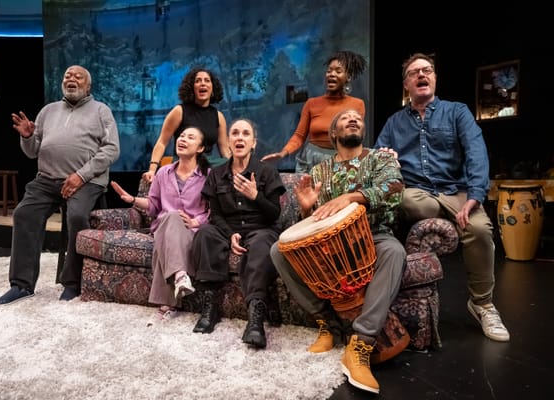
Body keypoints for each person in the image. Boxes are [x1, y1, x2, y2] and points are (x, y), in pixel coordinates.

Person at [374, 52, 510, 343]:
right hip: (418, 192)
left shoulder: (456, 112)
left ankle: (483, 304)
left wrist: (474, 197)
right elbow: (377, 159)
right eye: (415, 73)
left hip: (456, 191)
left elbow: (476, 153)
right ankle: (446, 216)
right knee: (409, 201)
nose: (422, 75)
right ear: (406, 84)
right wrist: (387, 160)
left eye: (428, 70)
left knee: (480, 230)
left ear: (434, 78)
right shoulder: (394, 123)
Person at [270, 109, 405, 394]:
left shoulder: (379, 158)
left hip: (373, 235)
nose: (353, 119)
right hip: (333, 245)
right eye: (345, 118)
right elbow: (311, 228)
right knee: (279, 251)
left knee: (394, 252)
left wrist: (351, 197)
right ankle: (327, 325)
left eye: (357, 117)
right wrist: (307, 208)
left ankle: (361, 344)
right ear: (333, 133)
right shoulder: (319, 171)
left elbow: (394, 190)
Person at [0, 65, 120, 305]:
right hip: (46, 179)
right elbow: (32, 153)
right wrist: (28, 136)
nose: (71, 79)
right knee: (23, 213)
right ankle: (21, 285)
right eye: (67, 76)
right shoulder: (48, 111)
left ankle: (72, 282)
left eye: (78, 76)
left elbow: (112, 149)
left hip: (86, 181)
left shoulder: (101, 111)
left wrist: (81, 176)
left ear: (88, 86)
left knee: (76, 216)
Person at [191, 118, 286, 349]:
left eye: (245, 134)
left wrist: (256, 196)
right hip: (228, 229)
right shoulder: (217, 174)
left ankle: (255, 320)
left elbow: (274, 215)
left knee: (263, 243)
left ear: (253, 143)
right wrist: (230, 234)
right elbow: (215, 215)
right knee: (205, 234)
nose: (240, 137)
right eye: (235, 133)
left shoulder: (267, 173)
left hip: (260, 229)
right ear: (229, 141)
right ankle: (210, 307)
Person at [110, 126, 210, 319]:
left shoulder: (208, 175)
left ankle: (169, 300)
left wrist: (196, 221)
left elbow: (213, 210)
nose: (183, 139)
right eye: (181, 136)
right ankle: (180, 275)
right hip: (164, 225)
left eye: (190, 137)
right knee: (170, 217)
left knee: (166, 231)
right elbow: (153, 205)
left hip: (191, 230)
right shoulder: (164, 173)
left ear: (200, 148)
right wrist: (132, 199)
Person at [261, 50, 367, 172]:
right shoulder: (312, 103)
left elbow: (354, 138)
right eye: (329, 71)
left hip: (341, 161)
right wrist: (283, 153)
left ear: (348, 77)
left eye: (338, 71)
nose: (331, 74)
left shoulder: (357, 104)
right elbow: (299, 136)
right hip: (310, 161)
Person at [143, 67, 230, 183]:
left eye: (207, 80)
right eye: (198, 81)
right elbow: (162, 142)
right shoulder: (179, 111)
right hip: (184, 163)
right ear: (192, 88)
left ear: (212, 88)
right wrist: (152, 170)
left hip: (209, 165)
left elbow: (225, 150)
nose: (202, 83)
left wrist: (235, 169)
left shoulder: (218, 116)